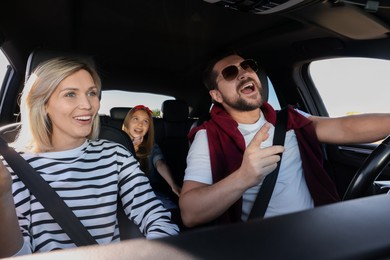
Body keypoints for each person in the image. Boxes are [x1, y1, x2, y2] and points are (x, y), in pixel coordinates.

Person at [179, 51, 390, 228]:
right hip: (266, 244)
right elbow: (190, 213)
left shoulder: (290, 119)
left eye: (247, 66)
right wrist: (243, 177)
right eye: (230, 72)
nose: (243, 74)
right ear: (217, 96)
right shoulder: (208, 137)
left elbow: (344, 128)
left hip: (321, 228)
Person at [0, 57, 179, 257]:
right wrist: (3, 197)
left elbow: (155, 216)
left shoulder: (115, 154)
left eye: (92, 93)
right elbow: (15, 255)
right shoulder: (11, 166)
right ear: (43, 105)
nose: (88, 105)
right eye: (70, 94)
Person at [122, 105, 181, 210]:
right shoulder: (116, 143)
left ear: (149, 128)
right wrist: (133, 150)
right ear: (127, 122)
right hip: (120, 195)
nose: (140, 124)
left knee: (171, 210)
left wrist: (173, 185)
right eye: (136, 119)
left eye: (145, 121)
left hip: (148, 192)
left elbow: (160, 163)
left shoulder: (151, 146)